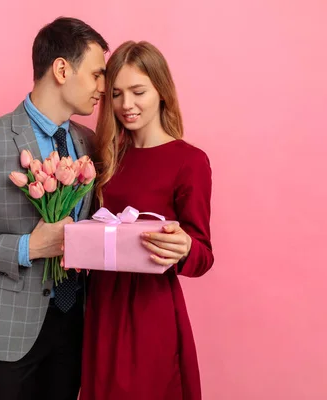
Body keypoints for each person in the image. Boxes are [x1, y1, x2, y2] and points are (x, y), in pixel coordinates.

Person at [0, 17, 108, 400]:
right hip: (4, 331)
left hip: (73, 324)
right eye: (97, 74)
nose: (102, 88)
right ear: (62, 69)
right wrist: (28, 247)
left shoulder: (89, 143)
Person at [79, 41, 214, 400]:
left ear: (162, 91)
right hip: (101, 304)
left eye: (138, 91)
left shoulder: (190, 161)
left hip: (151, 308)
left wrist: (185, 247)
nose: (126, 105)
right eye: (117, 94)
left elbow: (203, 253)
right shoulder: (103, 158)